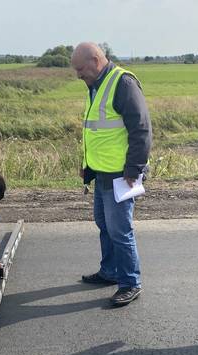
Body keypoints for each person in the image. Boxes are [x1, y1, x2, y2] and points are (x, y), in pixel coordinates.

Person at [71, 42, 152, 306]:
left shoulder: (123, 83)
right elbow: (95, 131)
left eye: (81, 68)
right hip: (102, 172)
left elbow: (141, 129)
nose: (78, 74)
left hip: (121, 175)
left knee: (120, 231)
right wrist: (87, 165)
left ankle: (130, 282)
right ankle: (110, 271)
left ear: (96, 60)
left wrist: (134, 169)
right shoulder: (94, 84)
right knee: (104, 224)